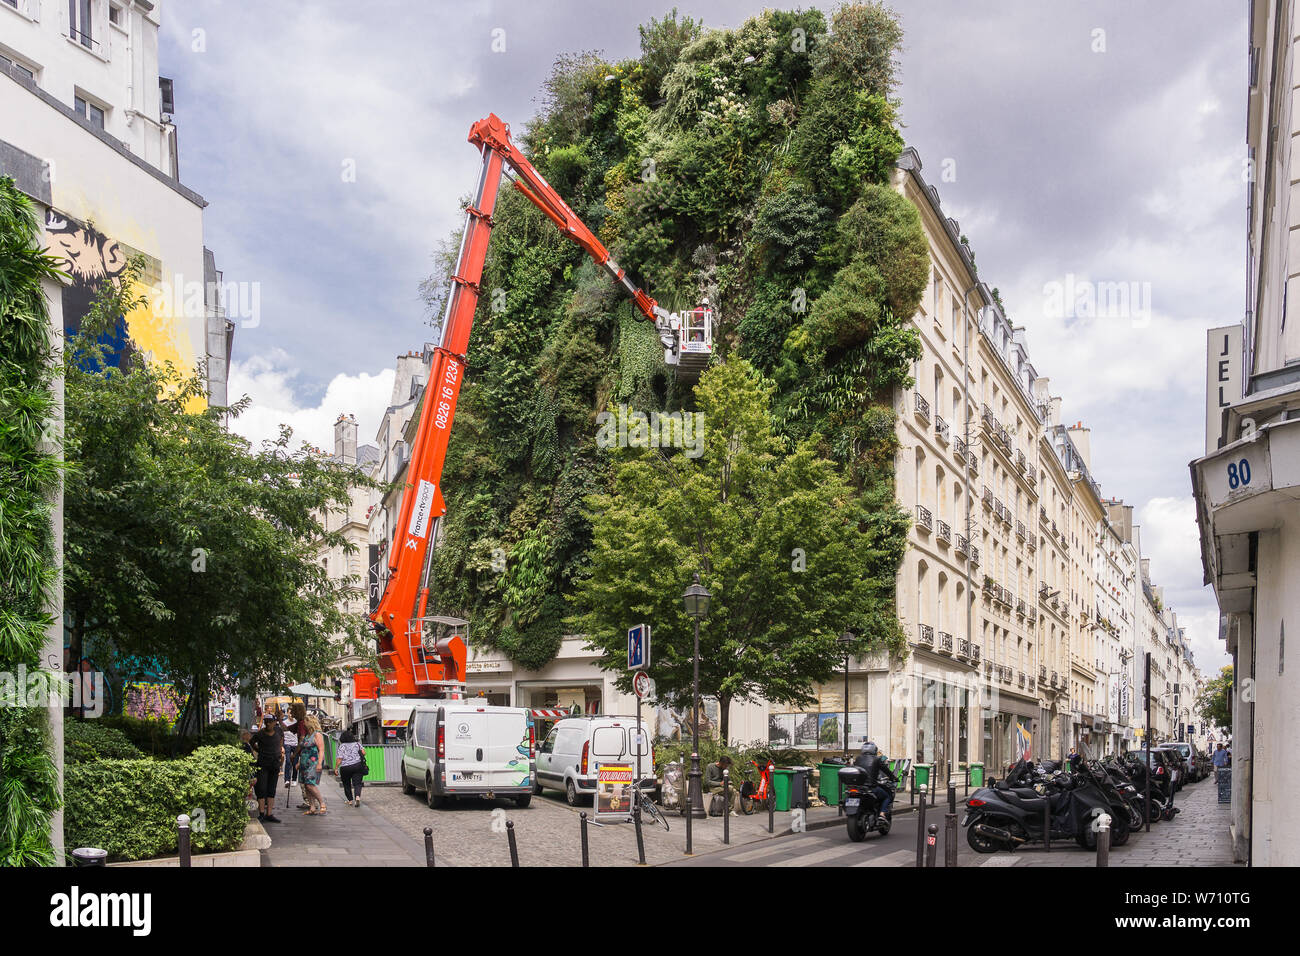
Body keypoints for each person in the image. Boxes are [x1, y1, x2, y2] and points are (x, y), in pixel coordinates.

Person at [250, 715, 284, 823]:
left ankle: (269, 813)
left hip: (274, 763)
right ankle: (261, 813)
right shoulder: (260, 734)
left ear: (274, 723)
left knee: (272, 789)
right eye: (266, 722)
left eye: (270, 722)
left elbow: (281, 741)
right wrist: (259, 750)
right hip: (263, 763)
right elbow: (251, 742)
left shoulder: (278, 731)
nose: (268, 724)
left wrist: (279, 752)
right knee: (261, 788)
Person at [853, 741, 896, 819]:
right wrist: (893, 777)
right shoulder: (877, 759)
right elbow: (886, 770)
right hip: (871, 787)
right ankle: (882, 813)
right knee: (887, 796)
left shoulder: (858, 759)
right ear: (874, 750)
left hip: (858, 787)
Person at [298, 715, 327, 815]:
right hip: (304, 763)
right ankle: (312, 807)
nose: (304, 724)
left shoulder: (317, 735)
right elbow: (304, 749)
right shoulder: (308, 735)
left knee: (310, 784)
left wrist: (319, 763)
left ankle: (322, 803)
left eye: (305, 722)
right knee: (306, 785)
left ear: (310, 722)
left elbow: (321, 750)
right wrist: (299, 762)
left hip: (313, 763)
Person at [335, 729, 368, 807]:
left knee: (346, 784)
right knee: (357, 783)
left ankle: (350, 800)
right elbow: (364, 752)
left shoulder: (342, 746)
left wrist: (336, 768)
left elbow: (339, 758)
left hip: (345, 768)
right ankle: (357, 797)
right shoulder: (357, 744)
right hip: (357, 766)